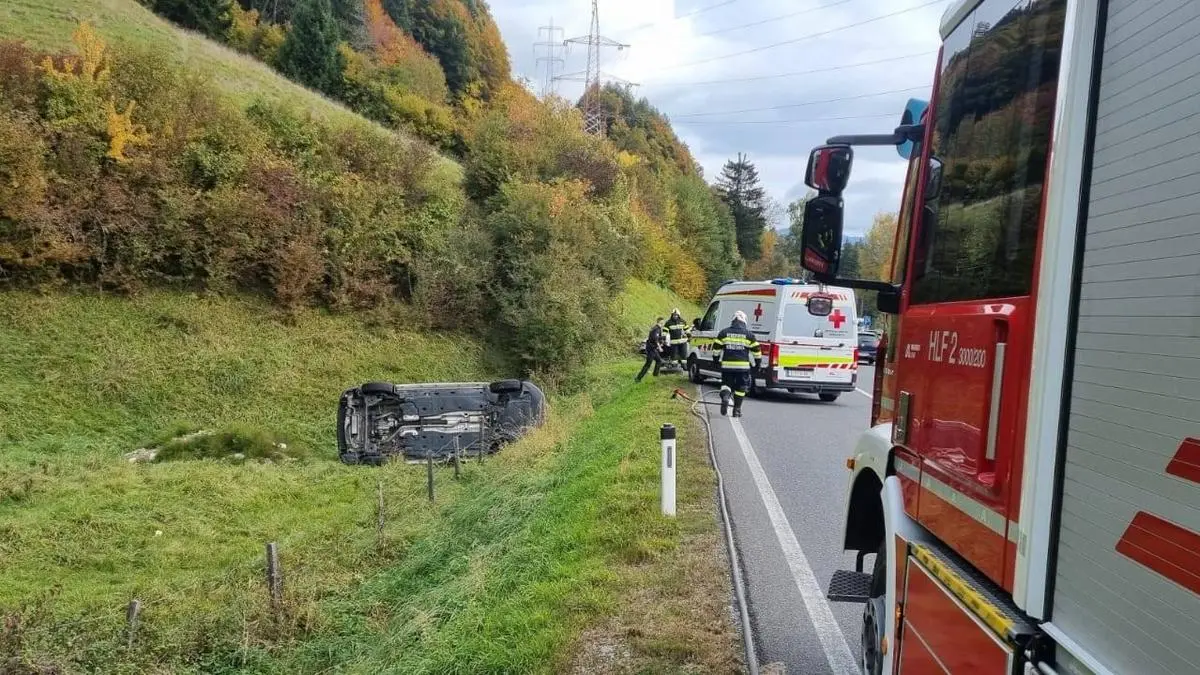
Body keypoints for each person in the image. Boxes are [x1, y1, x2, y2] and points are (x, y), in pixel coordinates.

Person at [713, 310, 761, 417]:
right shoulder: (749, 335)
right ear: (744, 321)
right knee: (741, 388)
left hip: (727, 366)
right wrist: (757, 365)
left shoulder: (723, 333)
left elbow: (716, 349)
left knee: (726, 385)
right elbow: (757, 352)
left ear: (733, 320)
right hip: (742, 367)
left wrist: (716, 361)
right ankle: (737, 410)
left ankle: (725, 397)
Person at [636, 317, 667, 382]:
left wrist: (663, 341)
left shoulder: (658, 329)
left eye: (663, 322)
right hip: (651, 349)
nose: (663, 323)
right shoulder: (656, 329)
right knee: (647, 365)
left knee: (659, 361)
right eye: (661, 322)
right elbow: (655, 339)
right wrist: (660, 347)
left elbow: (658, 338)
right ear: (658, 322)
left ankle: (655, 375)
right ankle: (638, 378)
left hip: (654, 349)